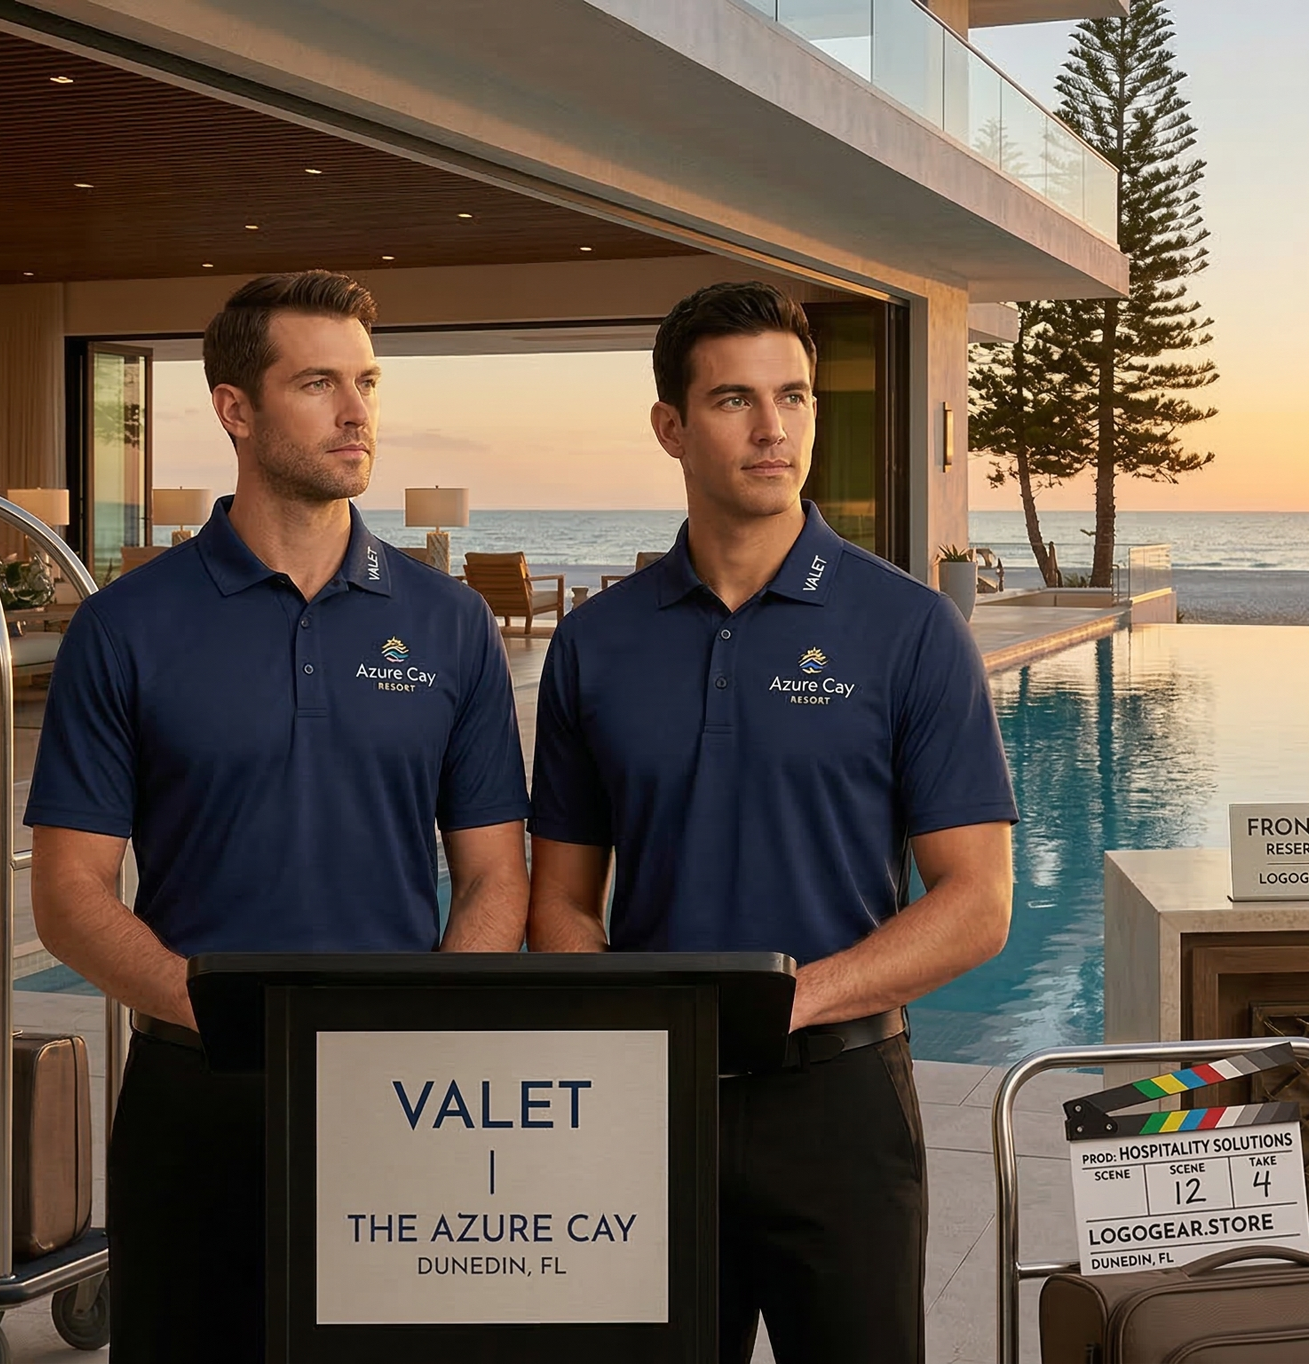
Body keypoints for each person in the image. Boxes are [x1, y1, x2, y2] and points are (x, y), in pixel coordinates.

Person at [25, 271, 531, 1362]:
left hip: (398, 1093)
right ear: (235, 409)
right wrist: (214, 1009)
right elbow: (68, 892)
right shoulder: (127, 628)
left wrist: (429, 1036)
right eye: (318, 383)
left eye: (367, 383)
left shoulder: (450, 625)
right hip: (192, 1092)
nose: (358, 414)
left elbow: (496, 874)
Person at [525, 281, 1016, 1364]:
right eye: (735, 400)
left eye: (793, 395)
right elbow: (557, 898)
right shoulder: (598, 643)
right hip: (645, 1103)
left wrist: (791, 1000)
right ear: (671, 426)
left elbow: (979, 902)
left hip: (840, 1103)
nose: (773, 427)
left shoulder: (911, 630)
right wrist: (619, 1023)